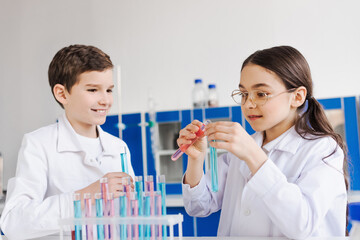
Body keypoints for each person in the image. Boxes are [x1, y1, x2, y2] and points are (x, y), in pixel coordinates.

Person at [179, 46, 348, 239]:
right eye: (243, 94)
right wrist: (196, 160)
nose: (249, 103)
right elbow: (199, 207)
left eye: (261, 94)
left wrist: (253, 156)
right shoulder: (240, 150)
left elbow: (302, 225)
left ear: (297, 96)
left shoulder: (322, 149)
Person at [0, 44, 135, 239]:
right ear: (62, 94)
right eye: (93, 90)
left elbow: (131, 216)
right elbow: (14, 223)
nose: (105, 100)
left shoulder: (118, 147)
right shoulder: (39, 144)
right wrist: (85, 196)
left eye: (109, 90)